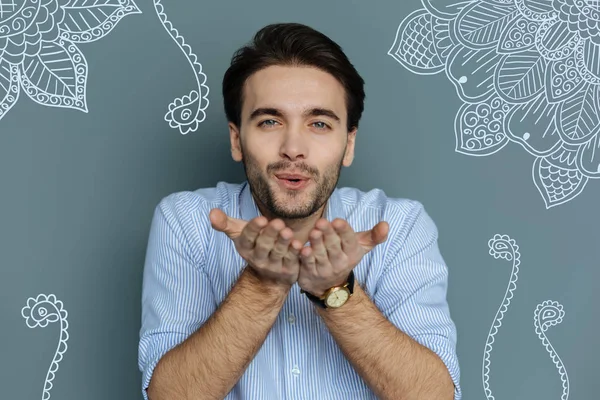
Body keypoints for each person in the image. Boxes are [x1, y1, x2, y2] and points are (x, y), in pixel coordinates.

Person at [138, 22, 461, 400]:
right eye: (270, 121)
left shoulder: (401, 226)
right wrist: (262, 284)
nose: (294, 148)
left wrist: (336, 290)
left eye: (319, 123)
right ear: (236, 139)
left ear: (349, 144)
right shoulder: (186, 222)